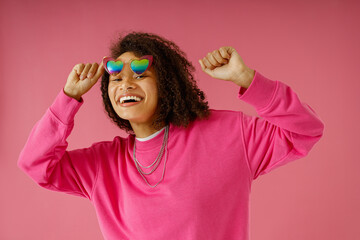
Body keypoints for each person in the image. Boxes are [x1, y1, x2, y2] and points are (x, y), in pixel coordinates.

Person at [18, 31, 324, 240]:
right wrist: (68, 97)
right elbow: (35, 165)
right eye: (117, 77)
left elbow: (305, 130)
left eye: (140, 75)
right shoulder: (104, 164)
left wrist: (247, 79)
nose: (125, 84)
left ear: (166, 84)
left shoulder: (231, 134)